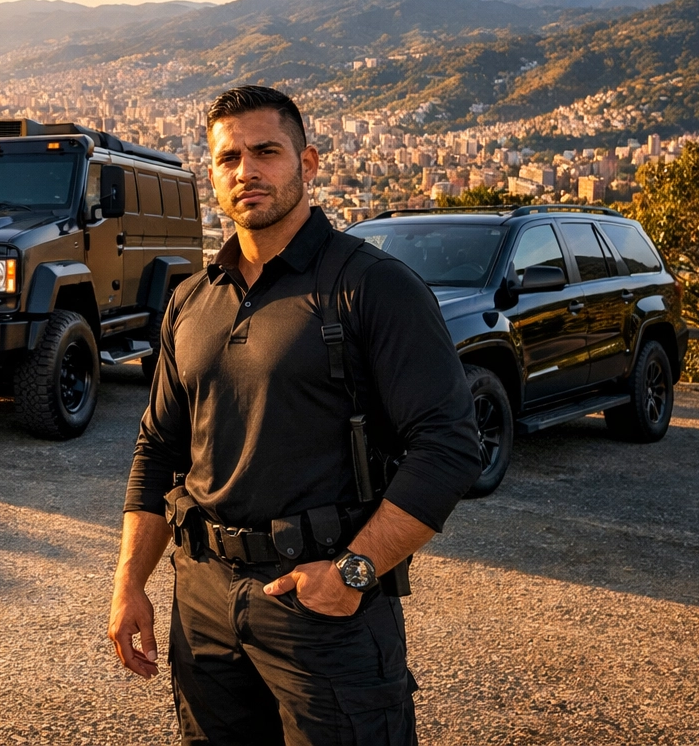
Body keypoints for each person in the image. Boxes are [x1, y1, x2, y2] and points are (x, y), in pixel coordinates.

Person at [107, 85, 481, 745]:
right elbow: (157, 449)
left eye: (266, 152)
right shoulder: (192, 299)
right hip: (201, 601)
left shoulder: (373, 286)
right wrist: (130, 582)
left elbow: (448, 447)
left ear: (307, 163)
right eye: (228, 158)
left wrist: (355, 573)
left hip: (321, 604)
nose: (246, 171)